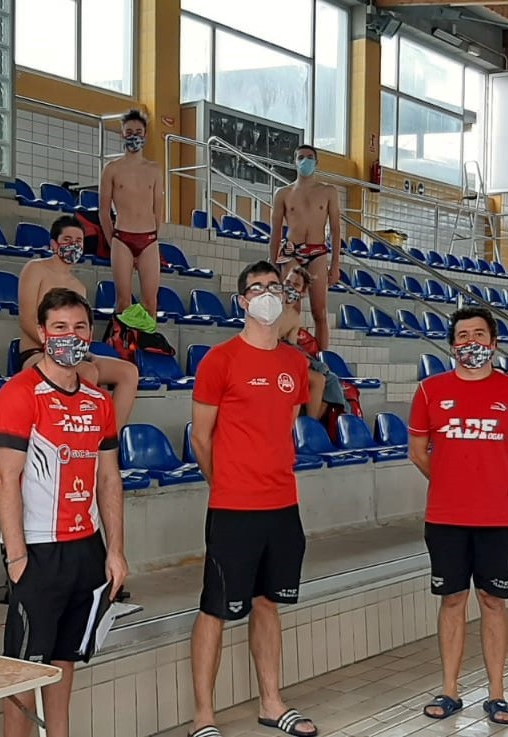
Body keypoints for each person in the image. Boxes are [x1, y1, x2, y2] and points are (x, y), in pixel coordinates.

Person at [0, 287, 129, 737]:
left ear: (90, 333)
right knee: (23, 671)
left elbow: (109, 479)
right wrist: (17, 559)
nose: (71, 336)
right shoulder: (19, 394)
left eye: (79, 327)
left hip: (86, 548)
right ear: (42, 332)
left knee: (64, 660)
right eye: (60, 327)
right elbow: (5, 479)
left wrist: (115, 550)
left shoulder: (99, 401)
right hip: (38, 549)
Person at [188, 261, 317, 737]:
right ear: (242, 300)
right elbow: (201, 437)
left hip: (282, 505)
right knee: (216, 609)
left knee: (268, 603)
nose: (266, 293)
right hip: (234, 508)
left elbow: (284, 427)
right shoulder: (219, 361)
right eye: (256, 287)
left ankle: (272, 702)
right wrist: (226, 484)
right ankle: (204, 716)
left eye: (273, 287)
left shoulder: (295, 364)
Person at [407, 307, 508, 726]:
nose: (471, 343)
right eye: (463, 336)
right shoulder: (430, 391)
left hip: (498, 518)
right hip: (446, 516)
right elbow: (418, 452)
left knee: (493, 600)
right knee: (452, 599)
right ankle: (450, 689)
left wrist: (493, 482)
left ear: (494, 343)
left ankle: (497, 694)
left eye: (479, 334)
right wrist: (452, 481)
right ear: (452, 344)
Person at [17, 215, 140, 421]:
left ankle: (109, 436)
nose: (73, 245)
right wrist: (57, 349)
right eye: (67, 240)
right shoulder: (35, 269)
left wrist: (84, 353)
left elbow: (79, 330)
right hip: (37, 353)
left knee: (128, 372)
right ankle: (77, 432)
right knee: (87, 371)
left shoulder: (79, 287)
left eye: (78, 241)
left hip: (73, 354)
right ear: (54, 244)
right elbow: (27, 319)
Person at [270, 145, 342, 353]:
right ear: (295, 161)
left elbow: (336, 229)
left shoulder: (328, 192)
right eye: (301, 157)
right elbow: (276, 232)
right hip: (291, 252)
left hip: (318, 252)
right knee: (291, 310)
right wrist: (273, 264)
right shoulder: (283, 193)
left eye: (310, 157)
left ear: (316, 163)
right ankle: (290, 356)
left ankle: (322, 359)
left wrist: (335, 265)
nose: (305, 161)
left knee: (320, 312)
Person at [98, 110, 165, 319]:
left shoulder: (155, 170)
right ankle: (123, 338)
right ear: (122, 135)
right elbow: (104, 211)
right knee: (123, 302)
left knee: (151, 303)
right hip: (121, 238)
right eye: (129, 132)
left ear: (145, 135)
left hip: (149, 239)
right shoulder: (112, 169)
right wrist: (113, 242)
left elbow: (158, 210)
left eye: (138, 132)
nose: (133, 136)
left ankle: (147, 339)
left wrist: (154, 236)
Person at [277, 267, 345, 420]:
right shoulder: (272, 308)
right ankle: (309, 423)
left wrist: (302, 360)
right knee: (318, 379)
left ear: (302, 293)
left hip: (285, 358)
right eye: (288, 282)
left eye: (295, 285)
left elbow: (291, 345)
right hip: (270, 358)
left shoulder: (295, 317)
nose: (290, 287)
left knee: (329, 380)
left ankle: (312, 424)